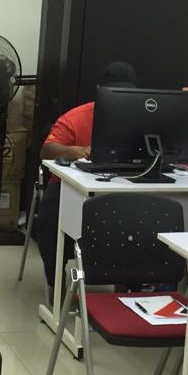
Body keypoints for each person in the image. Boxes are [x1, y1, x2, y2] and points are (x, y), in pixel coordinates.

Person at [35, 61, 137, 284]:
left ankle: (130, 288)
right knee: (50, 222)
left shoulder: (140, 118)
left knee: (141, 220)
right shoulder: (76, 117)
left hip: (122, 186)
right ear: (100, 92)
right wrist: (78, 151)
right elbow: (46, 150)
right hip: (68, 186)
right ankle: (56, 283)